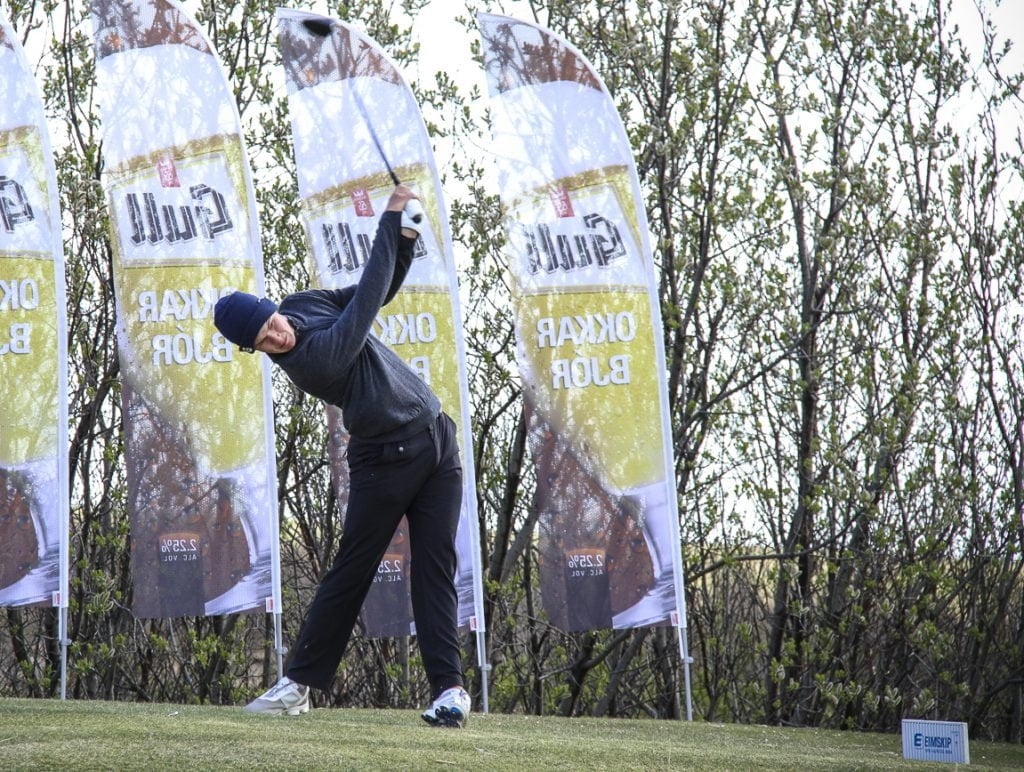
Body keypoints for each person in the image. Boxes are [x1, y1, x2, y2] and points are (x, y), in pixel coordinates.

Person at [213, 184, 471, 728]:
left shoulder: (302, 305)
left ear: (271, 308)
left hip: (438, 441)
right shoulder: (311, 362)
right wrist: (391, 215)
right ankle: (299, 685)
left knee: (435, 569)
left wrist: (402, 242)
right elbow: (365, 311)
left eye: (268, 324)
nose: (274, 338)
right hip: (384, 461)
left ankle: (449, 692)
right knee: (351, 572)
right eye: (261, 342)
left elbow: (373, 289)